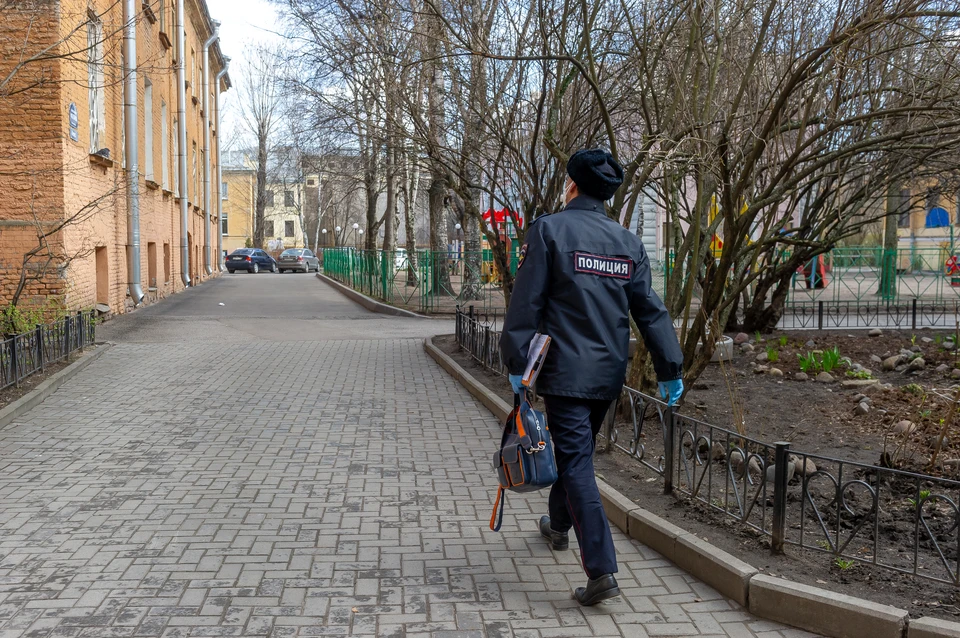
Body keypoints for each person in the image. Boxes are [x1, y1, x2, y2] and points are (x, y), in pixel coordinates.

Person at [499, 148, 684, 606]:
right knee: (576, 451)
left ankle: (602, 570)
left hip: (562, 372)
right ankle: (558, 527)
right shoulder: (628, 243)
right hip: (606, 375)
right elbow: (651, 311)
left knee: (578, 462)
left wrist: (518, 364)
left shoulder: (549, 230)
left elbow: (526, 304)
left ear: (572, 186)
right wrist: (670, 368)